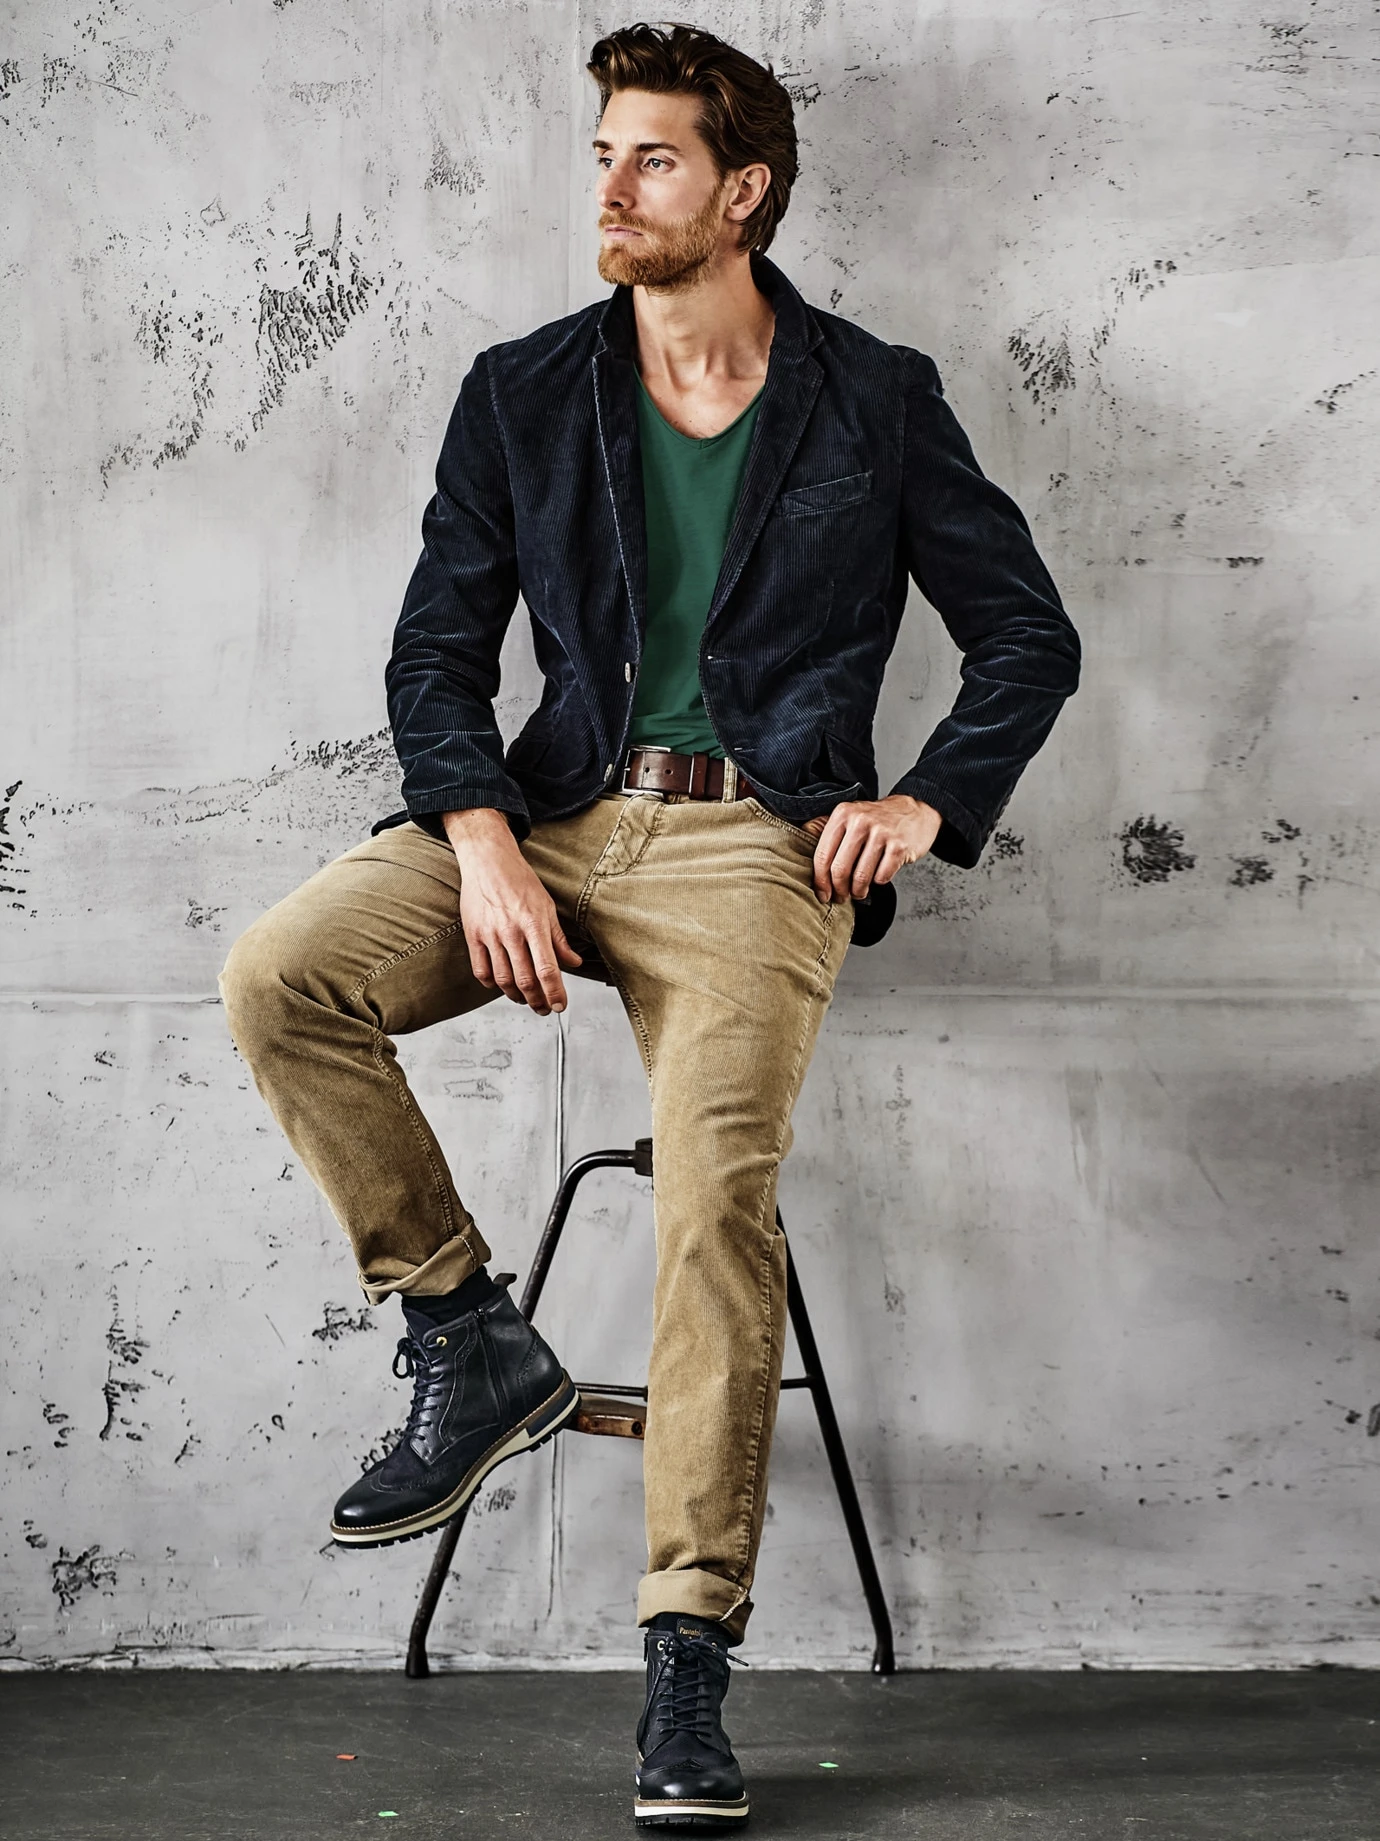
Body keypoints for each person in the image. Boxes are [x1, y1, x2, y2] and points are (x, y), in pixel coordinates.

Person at [220, 21, 1080, 1829]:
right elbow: (435, 654)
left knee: (713, 1204)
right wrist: (481, 842)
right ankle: (469, 1332)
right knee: (281, 974)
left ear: (743, 190)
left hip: (758, 845)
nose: (610, 188)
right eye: (603, 153)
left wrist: (925, 802)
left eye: (654, 159)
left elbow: (1027, 635)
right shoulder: (523, 389)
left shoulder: (875, 394)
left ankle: (686, 1660)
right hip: (545, 813)